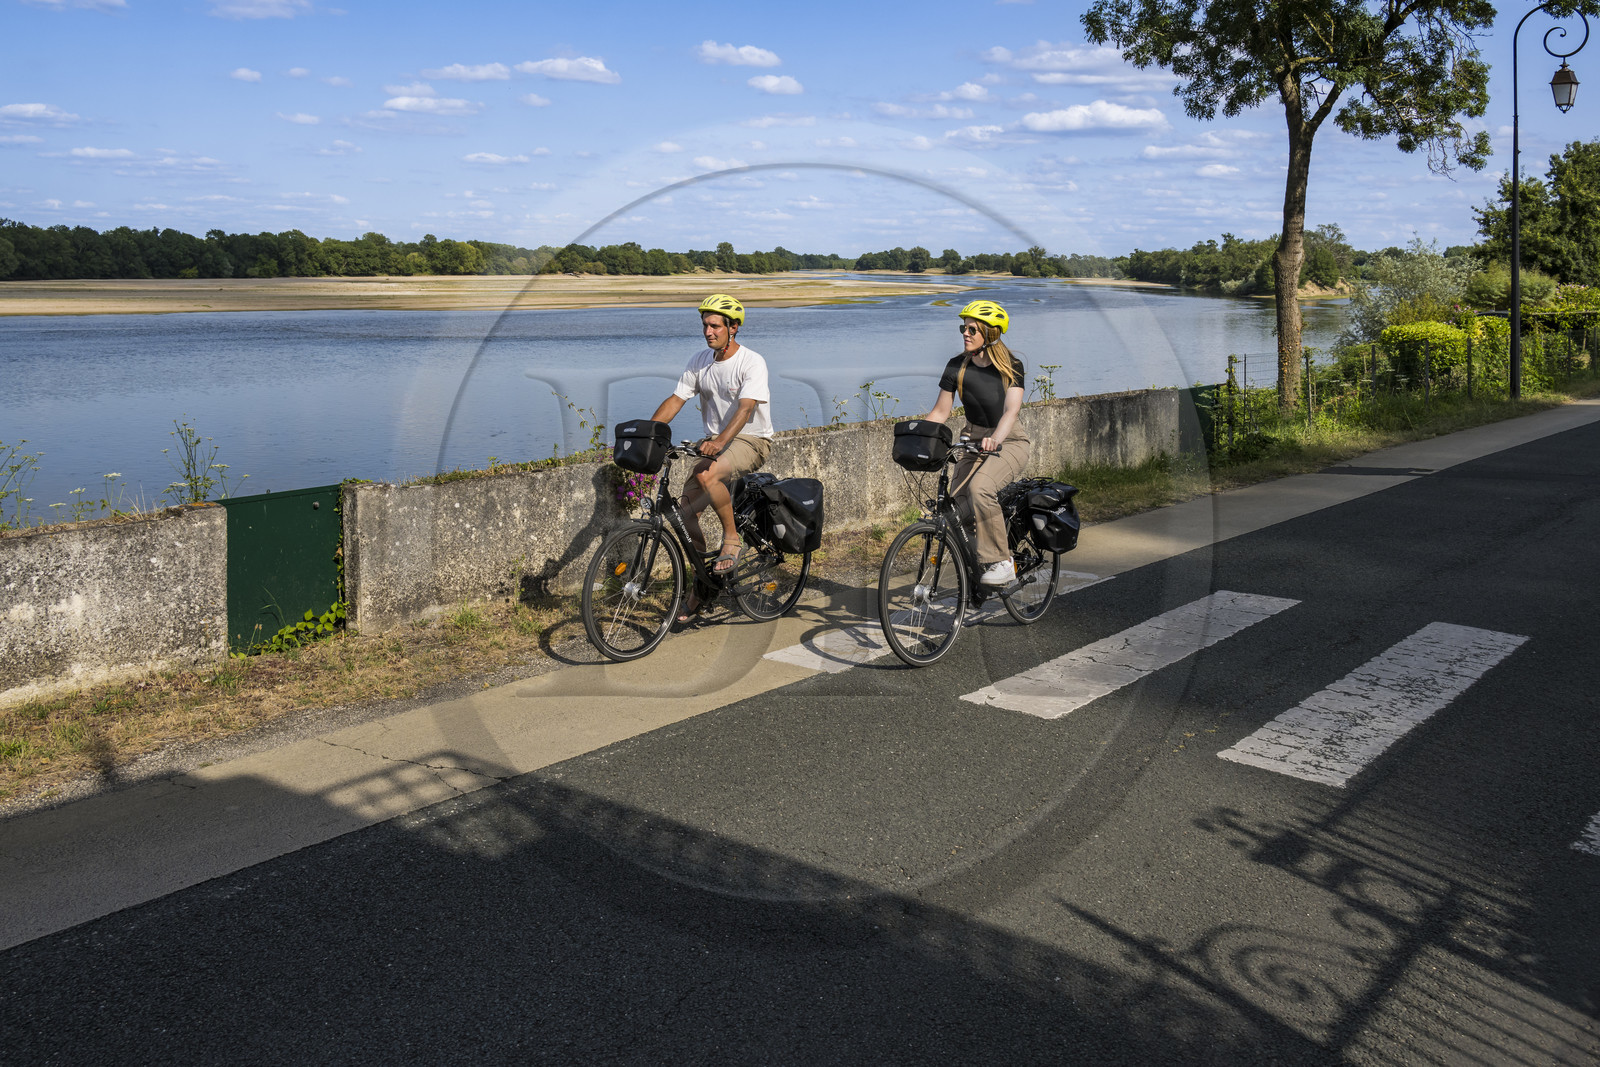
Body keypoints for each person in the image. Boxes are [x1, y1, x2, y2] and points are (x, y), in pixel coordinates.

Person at [648, 293, 775, 618]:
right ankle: (704, 587)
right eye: (705, 325)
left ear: (734, 328)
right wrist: (647, 434)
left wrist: (719, 442)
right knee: (684, 513)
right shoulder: (699, 361)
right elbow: (676, 399)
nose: (708, 332)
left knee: (707, 474)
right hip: (715, 443)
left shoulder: (752, 361)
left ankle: (731, 537)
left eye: (715, 326)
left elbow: (746, 409)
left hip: (752, 440)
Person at [918, 298, 1030, 585]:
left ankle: (1002, 562)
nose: (965, 333)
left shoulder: (1011, 367)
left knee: (981, 489)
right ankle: (975, 573)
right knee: (955, 511)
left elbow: (1011, 411)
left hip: (1009, 440)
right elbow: (941, 412)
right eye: (963, 328)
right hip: (971, 439)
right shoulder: (957, 366)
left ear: (991, 334)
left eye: (972, 329)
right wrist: (919, 440)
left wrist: (995, 438)